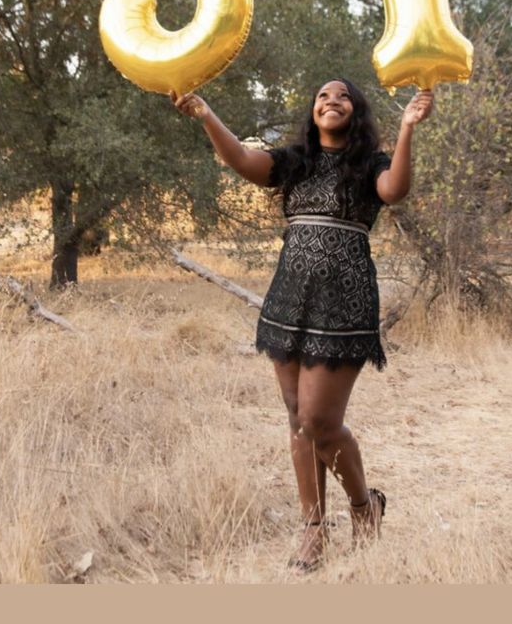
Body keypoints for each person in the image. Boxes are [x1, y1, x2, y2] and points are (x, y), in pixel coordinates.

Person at [171, 78, 433, 570]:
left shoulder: (369, 164)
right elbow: (241, 160)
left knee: (319, 421)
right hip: (288, 302)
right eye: (322, 97)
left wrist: (407, 129)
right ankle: (314, 530)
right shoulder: (296, 161)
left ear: (356, 113)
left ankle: (364, 506)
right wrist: (206, 114)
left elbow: (395, 191)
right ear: (313, 112)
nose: (331, 101)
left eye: (343, 97)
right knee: (297, 419)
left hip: (344, 304)